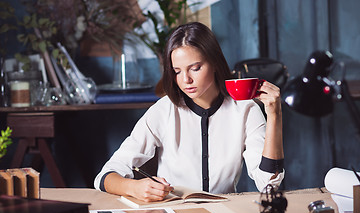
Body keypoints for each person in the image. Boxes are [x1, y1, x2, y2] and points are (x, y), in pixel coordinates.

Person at [94, 22, 284, 202]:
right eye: (177, 71)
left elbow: (268, 183)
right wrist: (134, 188)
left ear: (215, 63)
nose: (186, 80)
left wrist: (274, 115)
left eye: (195, 68)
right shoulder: (163, 110)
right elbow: (105, 176)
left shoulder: (245, 110)